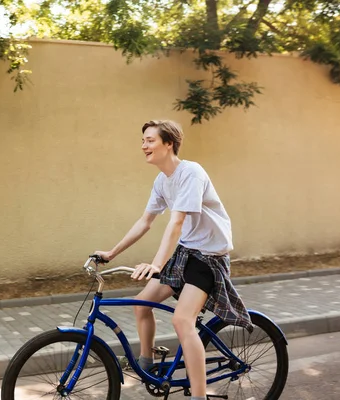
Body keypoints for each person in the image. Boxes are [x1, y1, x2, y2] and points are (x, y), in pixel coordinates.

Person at [94, 119, 252, 400]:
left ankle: (199, 397)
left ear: (169, 143)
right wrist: (111, 253)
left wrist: (156, 264)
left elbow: (176, 222)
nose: (144, 146)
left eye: (150, 140)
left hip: (208, 259)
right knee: (142, 305)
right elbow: (146, 222)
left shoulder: (191, 172)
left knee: (182, 321)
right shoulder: (161, 180)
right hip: (185, 254)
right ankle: (147, 366)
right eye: (143, 140)